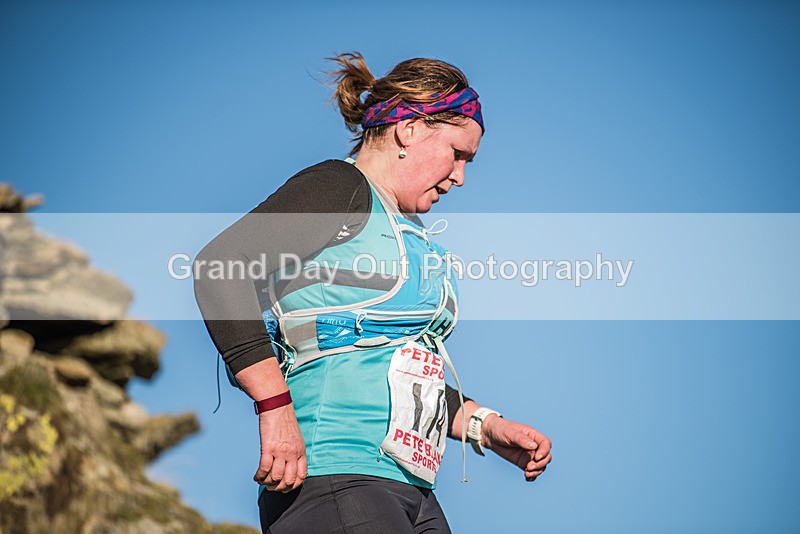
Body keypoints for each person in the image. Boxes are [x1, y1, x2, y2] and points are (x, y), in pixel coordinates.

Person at [194, 52, 552, 533]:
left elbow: (388, 367)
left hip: (410, 488)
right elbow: (220, 268)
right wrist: (274, 408)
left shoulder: (405, 228)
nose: (461, 176)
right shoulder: (340, 188)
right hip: (332, 475)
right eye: (457, 154)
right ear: (410, 129)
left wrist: (483, 425)